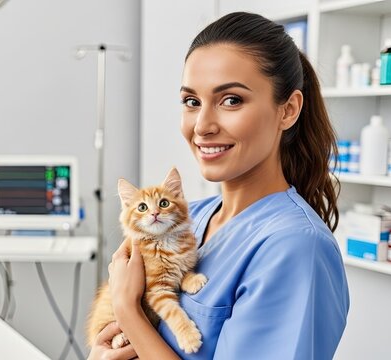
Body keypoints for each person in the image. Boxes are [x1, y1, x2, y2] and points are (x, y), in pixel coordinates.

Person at [88, 12, 350, 360]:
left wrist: (128, 309)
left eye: (231, 100)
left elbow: (133, 316)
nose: (202, 126)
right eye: (192, 102)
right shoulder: (189, 217)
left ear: (288, 111)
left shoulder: (296, 248)